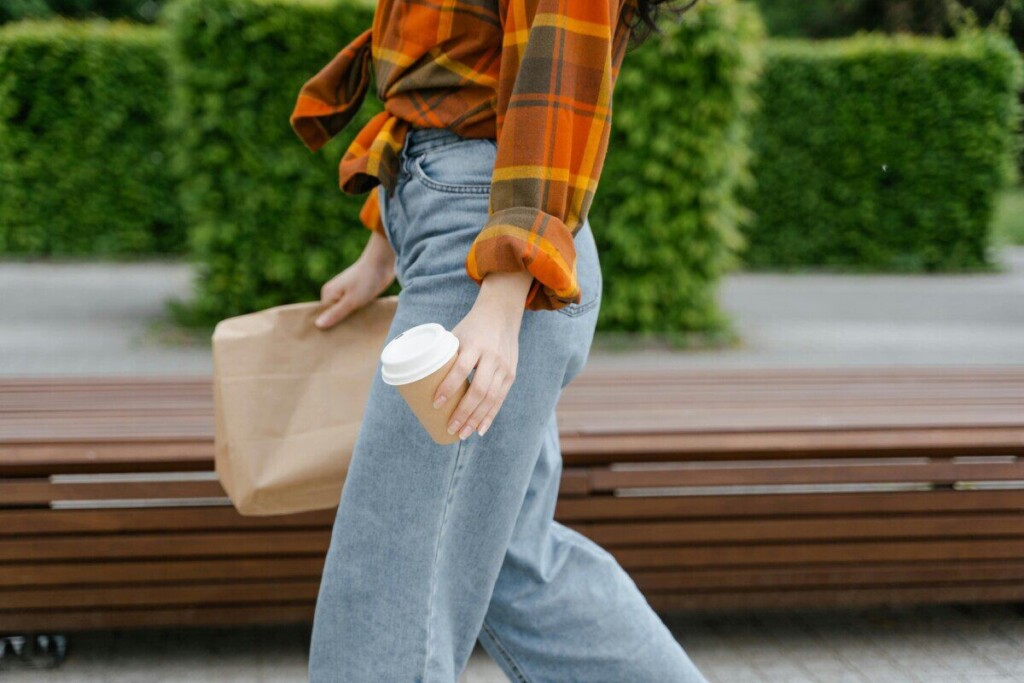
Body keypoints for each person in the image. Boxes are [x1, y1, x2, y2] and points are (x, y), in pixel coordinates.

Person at [289, 0, 709, 680]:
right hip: (470, 240)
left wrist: (506, 289)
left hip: (491, 260)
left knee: (392, 570)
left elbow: (559, 82)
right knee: (513, 558)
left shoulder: (499, 277)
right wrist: (384, 246)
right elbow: (447, 67)